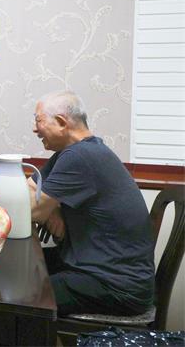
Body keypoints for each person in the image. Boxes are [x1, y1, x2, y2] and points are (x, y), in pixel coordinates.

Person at [29, 90, 155, 316]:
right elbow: (29, 187)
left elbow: (32, 211)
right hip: (91, 266)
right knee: (23, 266)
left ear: (61, 122)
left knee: (23, 293)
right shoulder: (75, 152)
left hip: (116, 285)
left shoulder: (79, 156)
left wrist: (45, 209)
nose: (34, 129)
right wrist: (53, 209)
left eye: (38, 120)